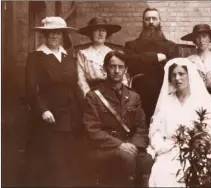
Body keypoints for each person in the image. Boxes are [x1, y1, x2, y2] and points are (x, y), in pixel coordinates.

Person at [24, 17, 82, 186]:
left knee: (69, 159)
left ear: (63, 35)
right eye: (51, 32)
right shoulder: (36, 57)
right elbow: (30, 89)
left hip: (70, 116)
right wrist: (43, 110)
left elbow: (75, 86)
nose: (55, 36)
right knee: (51, 162)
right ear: (45, 34)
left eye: (58, 32)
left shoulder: (68, 56)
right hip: (49, 117)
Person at [82, 50, 153, 187]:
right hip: (105, 148)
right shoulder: (94, 96)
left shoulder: (133, 96)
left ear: (125, 70)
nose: (116, 71)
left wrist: (133, 145)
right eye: (112, 66)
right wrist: (119, 144)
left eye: (120, 67)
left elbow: (141, 127)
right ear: (105, 68)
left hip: (130, 145)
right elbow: (92, 130)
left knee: (146, 160)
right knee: (127, 158)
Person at [148, 58, 211, 187]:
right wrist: (160, 146)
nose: (177, 78)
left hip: (196, 150)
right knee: (162, 173)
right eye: (173, 75)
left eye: (181, 74)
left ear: (189, 75)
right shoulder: (166, 101)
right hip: (169, 150)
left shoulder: (201, 100)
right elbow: (155, 129)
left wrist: (200, 147)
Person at [124, 8, 179, 124]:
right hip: (139, 94)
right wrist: (155, 57)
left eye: (154, 18)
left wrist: (141, 59)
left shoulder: (171, 46)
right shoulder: (131, 45)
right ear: (143, 22)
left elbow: (174, 70)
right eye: (147, 19)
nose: (151, 22)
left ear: (160, 21)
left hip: (163, 93)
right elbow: (129, 61)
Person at [181, 24, 211, 132]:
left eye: (204, 36)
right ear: (194, 40)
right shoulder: (189, 61)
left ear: (210, 38)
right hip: (195, 102)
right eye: (198, 37)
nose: (201, 40)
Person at [77, 17, 128, 97]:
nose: (100, 34)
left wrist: (123, 95)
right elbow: (81, 80)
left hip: (114, 94)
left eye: (103, 30)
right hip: (93, 94)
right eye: (97, 30)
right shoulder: (83, 54)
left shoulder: (113, 53)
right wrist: (89, 97)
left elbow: (123, 76)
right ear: (91, 33)